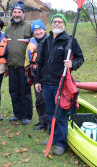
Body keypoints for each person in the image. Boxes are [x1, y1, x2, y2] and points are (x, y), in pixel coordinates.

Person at [35, 14, 84, 155]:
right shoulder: (46, 40)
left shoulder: (70, 41)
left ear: (64, 24)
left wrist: (72, 64)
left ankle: (62, 143)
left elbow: (80, 58)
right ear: (51, 24)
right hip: (46, 83)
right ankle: (54, 137)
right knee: (50, 112)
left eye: (60, 22)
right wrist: (38, 80)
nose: (57, 24)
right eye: (54, 21)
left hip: (61, 84)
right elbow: (40, 63)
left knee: (61, 113)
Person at [5, 0, 33, 125]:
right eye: (15, 12)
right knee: (13, 91)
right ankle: (17, 114)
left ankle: (27, 115)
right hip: (11, 66)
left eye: (19, 12)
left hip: (24, 66)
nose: (17, 14)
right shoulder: (8, 28)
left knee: (24, 91)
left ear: (23, 13)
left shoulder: (28, 27)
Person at [24, 19, 48, 131]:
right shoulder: (31, 43)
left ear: (44, 30)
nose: (38, 32)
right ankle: (42, 122)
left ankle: (50, 123)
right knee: (39, 100)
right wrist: (27, 70)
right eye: (35, 30)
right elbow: (27, 59)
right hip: (35, 74)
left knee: (48, 99)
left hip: (49, 75)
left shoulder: (50, 41)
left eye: (40, 29)